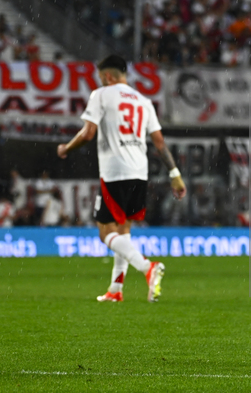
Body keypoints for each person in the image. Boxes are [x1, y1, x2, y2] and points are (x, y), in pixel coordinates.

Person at [57, 55, 186, 303]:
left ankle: (147, 268)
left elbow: (87, 133)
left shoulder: (101, 95)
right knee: (123, 231)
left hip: (115, 171)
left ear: (108, 76)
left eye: (100, 78)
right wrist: (174, 174)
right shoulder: (143, 101)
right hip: (140, 172)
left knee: (105, 233)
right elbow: (159, 142)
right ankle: (116, 290)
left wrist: (66, 148)